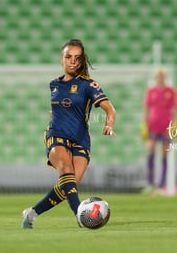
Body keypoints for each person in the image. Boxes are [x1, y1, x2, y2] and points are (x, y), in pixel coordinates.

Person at [22, 39, 117, 229]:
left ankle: (31, 213)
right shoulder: (54, 84)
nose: (73, 61)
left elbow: (110, 110)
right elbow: (62, 108)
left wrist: (109, 125)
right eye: (68, 57)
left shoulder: (90, 85)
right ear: (62, 59)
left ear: (82, 61)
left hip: (81, 140)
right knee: (65, 170)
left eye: (77, 58)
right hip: (56, 135)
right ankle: (81, 218)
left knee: (68, 186)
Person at [142, 68, 177, 194]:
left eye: (162, 76)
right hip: (153, 126)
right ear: (155, 77)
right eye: (158, 76)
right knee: (150, 150)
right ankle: (150, 183)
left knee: (164, 154)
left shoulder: (171, 92)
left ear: (165, 77)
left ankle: (162, 185)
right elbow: (146, 110)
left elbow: (174, 111)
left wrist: (174, 127)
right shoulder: (151, 91)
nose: (160, 78)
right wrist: (144, 126)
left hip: (166, 127)